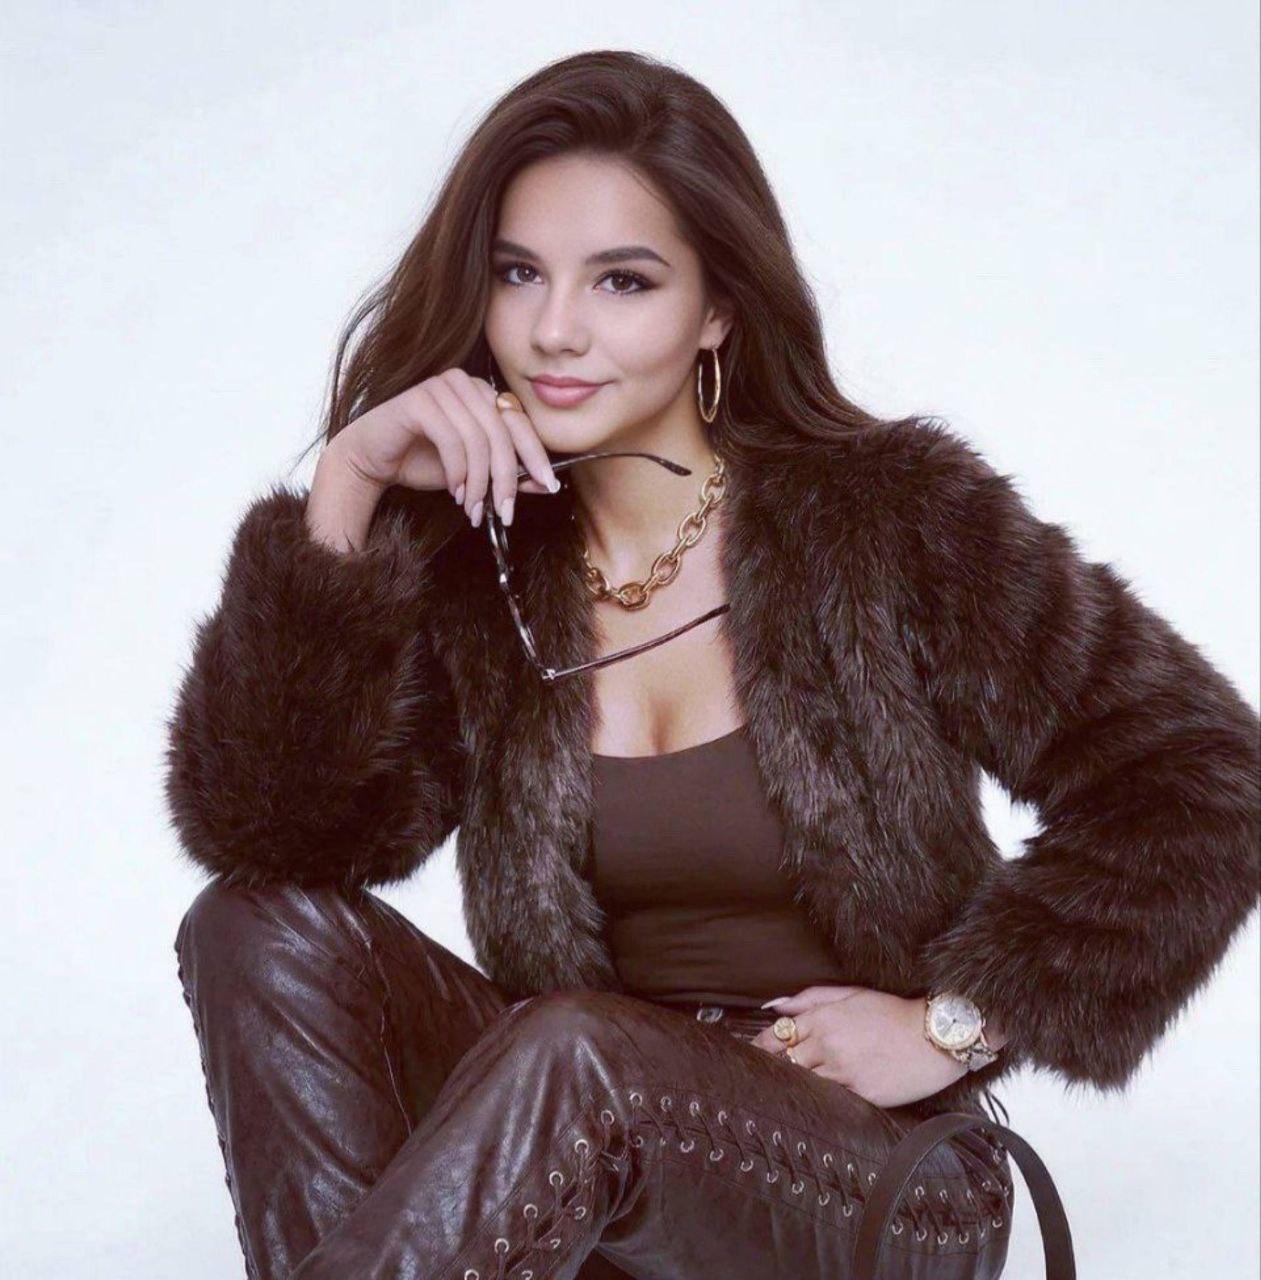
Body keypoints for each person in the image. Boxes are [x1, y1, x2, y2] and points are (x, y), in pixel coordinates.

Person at [164, 50, 1261, 1280]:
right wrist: (347, 490)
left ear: (717, 311)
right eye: (517, 273)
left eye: (622, 280)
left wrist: (951, 1026)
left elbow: (1202, 777)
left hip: (878, 1182)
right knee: (258, 927)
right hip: (567, 1148)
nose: (554, 328)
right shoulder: (479, 569)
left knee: (578, 1047)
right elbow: (278, 834)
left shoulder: (888, 519)